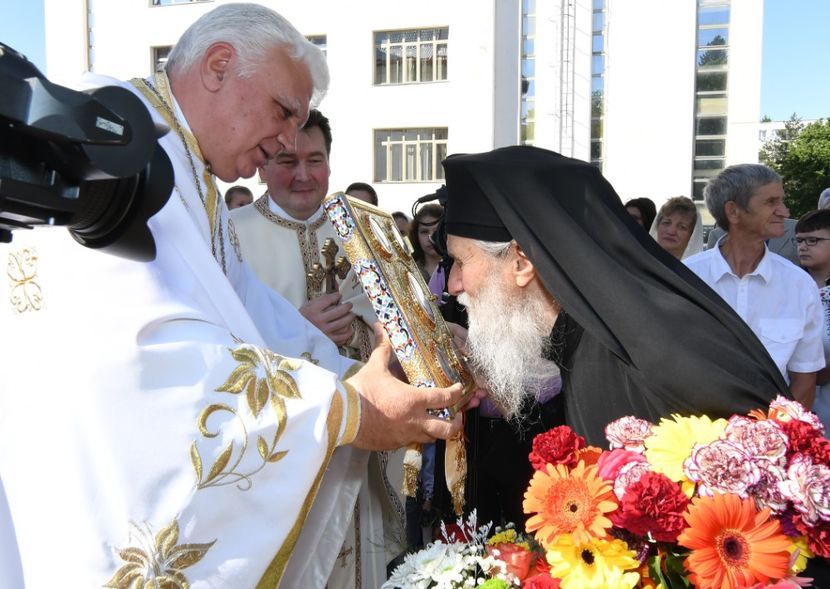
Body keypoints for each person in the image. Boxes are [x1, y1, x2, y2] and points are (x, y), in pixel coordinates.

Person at [0, 5, 467, 588]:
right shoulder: (116, 140)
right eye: (284, 112)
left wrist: (385, 359)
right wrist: (345, 408)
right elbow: (137, 359)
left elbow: (246, 310)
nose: (287, 143)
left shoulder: (186, 161)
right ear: (219, 65)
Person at [438, 145, 788, 448]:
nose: (453, 284)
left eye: (460, 261)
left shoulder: (665, 344)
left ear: (521, 262)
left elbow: (769, 462)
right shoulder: (576, 334)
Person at [231, 109, 406, 587]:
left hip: (360, 432)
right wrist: (295, 331)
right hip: (280, 441)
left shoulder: (362, 232)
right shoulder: (230, 234)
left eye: (316, 159)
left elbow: (399, 316)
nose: (304, 175)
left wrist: (358, 333)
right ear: (264, 164)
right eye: (287, 160)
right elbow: (219, 337)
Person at [685, 164, 824, 407]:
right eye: (771, 202)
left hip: (771, 436)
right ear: (734, 211)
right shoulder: (688, 277)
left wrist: (777, 435)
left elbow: (805, 378)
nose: (784, 211)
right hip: (694, 431)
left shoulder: (798, 284)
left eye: (782, 201)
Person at [794, 209, 830, 429]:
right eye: (799, 241)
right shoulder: (789, 285)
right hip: (797, 398)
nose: (803, 247)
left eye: (813, 240)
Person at [409, 203, 444, 281]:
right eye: (424, 232)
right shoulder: (409, 273)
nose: (430, 237)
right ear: (416, 235)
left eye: (436, 231)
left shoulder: (462, 268)